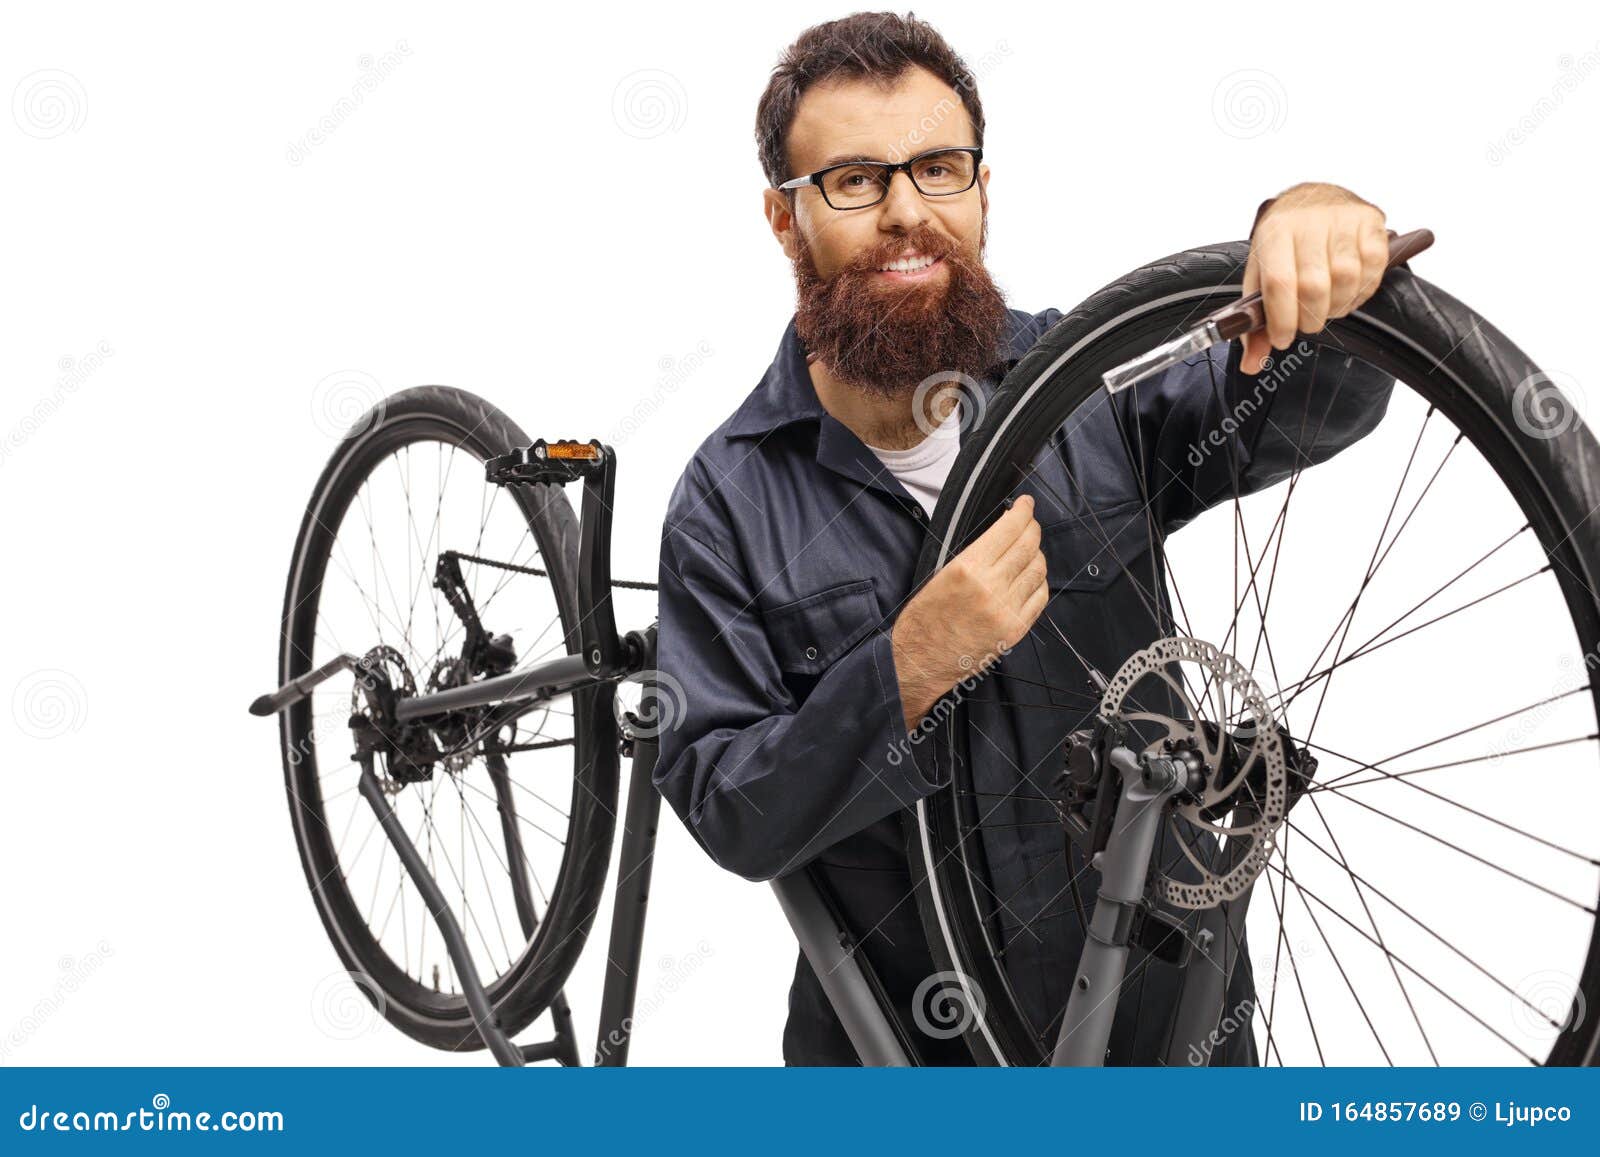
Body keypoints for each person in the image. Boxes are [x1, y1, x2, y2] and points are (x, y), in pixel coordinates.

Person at [654, 11, 1396, 1065]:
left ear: (982, 189)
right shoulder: (726, 499)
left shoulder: (1086, 387)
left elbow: (1310, 396)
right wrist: (906, 669)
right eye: (855, 180)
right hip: (903, 1064)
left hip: (1170, 1040)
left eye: (939, 169)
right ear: (785, 218)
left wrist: (1314, 235)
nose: (908, 212)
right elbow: (729, 806)